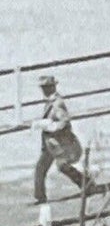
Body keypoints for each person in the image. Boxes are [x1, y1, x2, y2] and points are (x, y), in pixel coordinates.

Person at [33, 74, 86, 203]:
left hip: (58, 143)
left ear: (52, 87)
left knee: (61, 166)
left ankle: (86, 183)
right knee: (41, 169)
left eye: (46, 87)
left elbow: (65, 121)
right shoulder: (51, 102)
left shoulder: (57, 103)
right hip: (51, 144)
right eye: (43, 88)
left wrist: (51, 126)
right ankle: (40, 197)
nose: (43, 90)